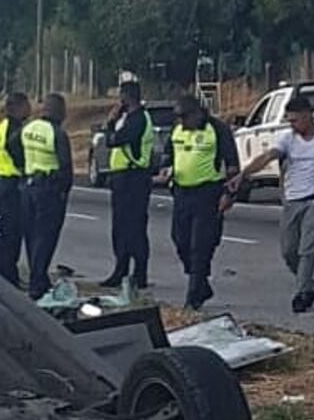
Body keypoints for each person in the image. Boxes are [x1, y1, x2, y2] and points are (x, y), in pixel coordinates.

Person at [226, 90, 314, 313]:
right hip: (292, 200)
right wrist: (243, 175)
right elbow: (268, 157)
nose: (292, 125)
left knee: (308, 249)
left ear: (308, 115)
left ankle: (301, 294)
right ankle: (310, 285)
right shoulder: (288, 139)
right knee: (289, 251)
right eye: (289, 121)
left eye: (295, 120)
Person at [156, 94, 239, 310]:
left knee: (200, 245)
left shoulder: (217, 130)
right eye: (178, 117)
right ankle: (201, 283)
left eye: (185, 117)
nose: (182, 122)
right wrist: (165, 170)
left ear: (198, 112)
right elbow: (168, 156)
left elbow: (232, 165)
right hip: (182, 192)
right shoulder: (177, 131)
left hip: (208, 192)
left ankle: (193, 296)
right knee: (180, 239)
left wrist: (229, 195)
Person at [102, 80, 156, 288]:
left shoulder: (138, 119)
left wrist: (109, 123)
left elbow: (113, 140)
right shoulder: (131, 118)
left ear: (126, 97)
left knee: (134, 227)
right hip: (123, 178)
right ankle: (121, 269)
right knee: (121, 227)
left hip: (134, 178)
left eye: (120, 97)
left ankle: (139, 274)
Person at [19, 92, 73, 300]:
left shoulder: (28, 128)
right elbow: (66, 167)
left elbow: (15, 148)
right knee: (45, 238)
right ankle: (37, 282)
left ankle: (39, 279)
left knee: (32, 237)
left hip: (28, 186)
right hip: (48, 191)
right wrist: (63, 193)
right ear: (59, 111)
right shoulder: (57, 133)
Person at [0, 91, 30, 286]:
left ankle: (5, 273)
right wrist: (26, 170)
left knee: (6, 233)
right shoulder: (14, 129)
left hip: (2, 182)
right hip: (12, 184)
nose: (29, 109)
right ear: (18, 108)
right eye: (26, 106)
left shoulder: (1, 127)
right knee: (11, 234)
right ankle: (7, 276)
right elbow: (17, 154)